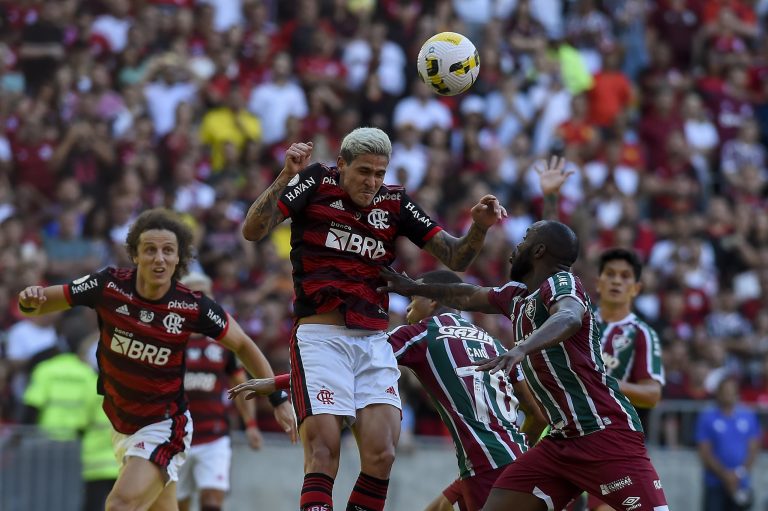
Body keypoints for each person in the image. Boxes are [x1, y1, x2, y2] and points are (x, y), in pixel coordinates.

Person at [240, 127, 506, 511]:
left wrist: (478, 227)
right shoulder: (314, 180)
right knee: (323, 451)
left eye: (380, 173)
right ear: (342, 164)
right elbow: (252, 230)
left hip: (372, 340)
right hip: (321, 336)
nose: (372, 182)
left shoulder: (395, 202)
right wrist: (285, 177)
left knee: (382, 456)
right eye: (364, 172)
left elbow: (456, 258)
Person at [17, 208, 298, 511]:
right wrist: (29, 299)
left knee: (120, 504)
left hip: (164, 425)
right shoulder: (108, 286)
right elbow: (40, 305)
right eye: (149, 250)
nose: (159, 258)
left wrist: (277, 396)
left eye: (168, 251)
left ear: (179, 259)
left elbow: (243, 344)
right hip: (123, 425)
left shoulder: (192, 306)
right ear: (135, 255)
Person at [378, 219, 669, 511]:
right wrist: (415, 287)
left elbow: (569, 316)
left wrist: (522, 348)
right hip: (560, 443)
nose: (517, 244)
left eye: (526, 237)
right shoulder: (516, 297)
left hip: (604, 432)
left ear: (539, 250)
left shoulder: (562, 282)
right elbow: (466, 295)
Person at [228, 270, 549, 511]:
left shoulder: (425, 334)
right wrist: (516, 458)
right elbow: (535, 415)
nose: (409, 311)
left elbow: (351, 363)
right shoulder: (492, 341)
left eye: (413, 301)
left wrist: (277, 381)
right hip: (513, 460)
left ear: (434, 300)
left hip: (485, 468)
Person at [539, 163, 666, 511]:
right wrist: (551, 197)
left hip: (610, 444)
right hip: (564, 436)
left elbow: (653, 394)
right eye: (609, 274)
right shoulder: (579, 317)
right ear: (597, 282)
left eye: (625, 276)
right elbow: (549, 268)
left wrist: (604, 383)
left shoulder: (641, 334)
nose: (616, 281)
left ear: (636, 288)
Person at [176, 272, 265, 511]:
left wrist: (251, 425)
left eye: (204, 295)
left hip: (214, 435)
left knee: (212, 502)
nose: (199, 300)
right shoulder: (171, 337)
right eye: (194, 294)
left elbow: (240, 383)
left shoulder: (223, 341)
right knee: (177, 504)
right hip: (176, 437)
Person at [695, 373, 761, 511]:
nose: (728, 395)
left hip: (741, 482)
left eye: (731, 391)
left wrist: (739, 473)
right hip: (714, 482)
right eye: (725, 391)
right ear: (718, 393)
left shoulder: (748, 416)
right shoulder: (707, 417)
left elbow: (754, 448)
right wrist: (725, 475)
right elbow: (705, 452)